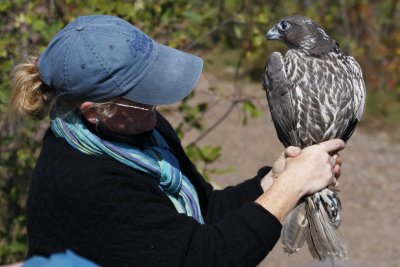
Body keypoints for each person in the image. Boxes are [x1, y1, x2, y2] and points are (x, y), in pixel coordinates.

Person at [8, 15, 345, 267]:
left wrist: (273, 180)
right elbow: (205, 256)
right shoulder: (85, 181)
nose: (158, 105)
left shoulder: (141, 130)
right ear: (95, 112)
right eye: (143, 97)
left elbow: (204, 208)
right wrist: (291, 189)